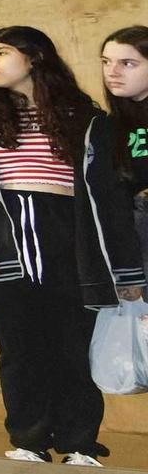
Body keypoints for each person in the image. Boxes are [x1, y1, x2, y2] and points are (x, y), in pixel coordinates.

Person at [0, 26, 117, 465]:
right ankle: (29, 439)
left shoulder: (85, 116)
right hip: (5, 246)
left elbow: (103, 194)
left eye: (3, 52)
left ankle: (81, 442)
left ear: (36, 57)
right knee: (19, 352)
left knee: (73, 348)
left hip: (68, 242)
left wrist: (116, 264)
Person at [91, 27, 148, 298]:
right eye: (106, 62)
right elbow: (113, 199)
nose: (112, 72)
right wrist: (128, 270)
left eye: (127, 63)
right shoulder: (109, 126)